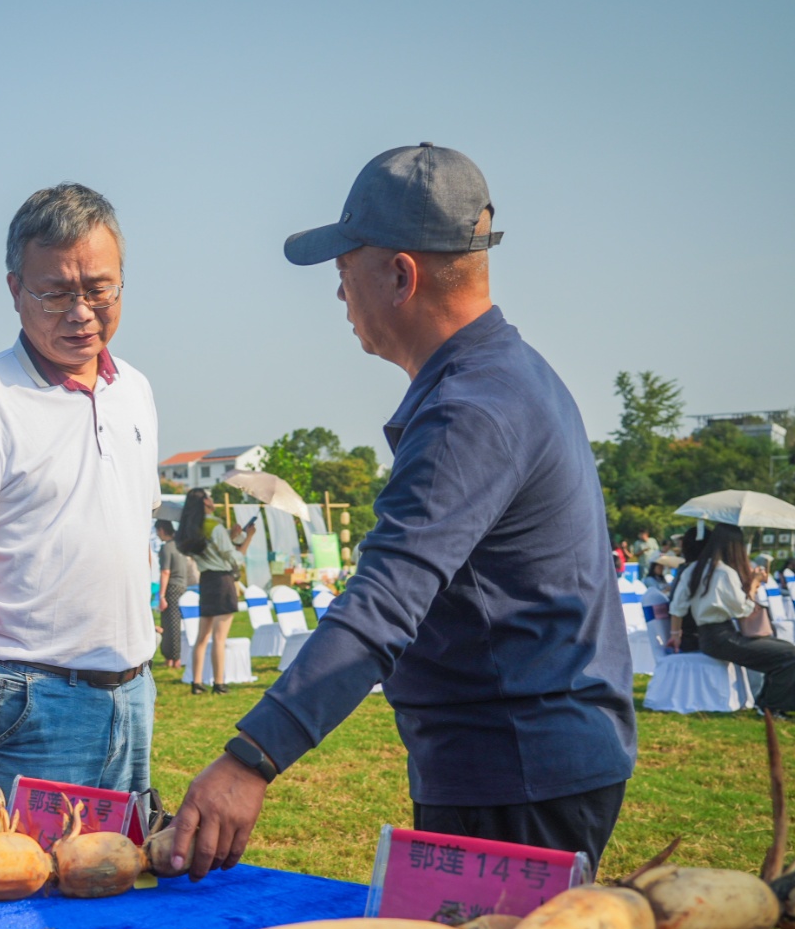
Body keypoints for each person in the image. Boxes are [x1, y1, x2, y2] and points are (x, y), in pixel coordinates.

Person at [171, 144, 635, 878]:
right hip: (523, 758)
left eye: (343, 267)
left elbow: (384, 603)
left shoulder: (471, 411)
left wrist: (251, 758)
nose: (338, 293)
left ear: (399, 275)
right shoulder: (507, 378)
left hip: (515, 768)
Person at [0, 183, 160, 803]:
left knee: (113, 861)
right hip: (29, 701)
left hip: (132, 694)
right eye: (54, 293)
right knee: (16, 863)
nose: (81, 312)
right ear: (15, 289)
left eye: (100, 289)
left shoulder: (134, 390)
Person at [666, 524, 795, 716]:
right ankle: (770, 706)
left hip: (709, 637)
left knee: (786, 651)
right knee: (792, 655)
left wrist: (675, 635)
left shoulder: (693, 570)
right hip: (723, 637)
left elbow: (677, 608)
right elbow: (743, 609)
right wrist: (754, 583)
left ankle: (767, 704)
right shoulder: (724, 573)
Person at [177, 488, 245, 694]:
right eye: (210, 497)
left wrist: (230, 536)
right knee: (219, 637)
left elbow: (212, 549)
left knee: (202, 636)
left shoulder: (191, 528)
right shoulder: (214, 525)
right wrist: (247, 538)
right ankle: (219, 682)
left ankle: (197, 683)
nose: (212, 499)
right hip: (222, 581)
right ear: (205, 502)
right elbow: (233, 558)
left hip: (206, 581)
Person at [155, 519, 197, 669]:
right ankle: (171, 657)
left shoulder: (167, 547)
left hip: (171, 587)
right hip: (182, 587)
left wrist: (161, 596)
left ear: (161, 530)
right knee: (174, 623)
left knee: (170, 624)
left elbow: (165, 572)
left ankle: (174, 659)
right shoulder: (180, 545)